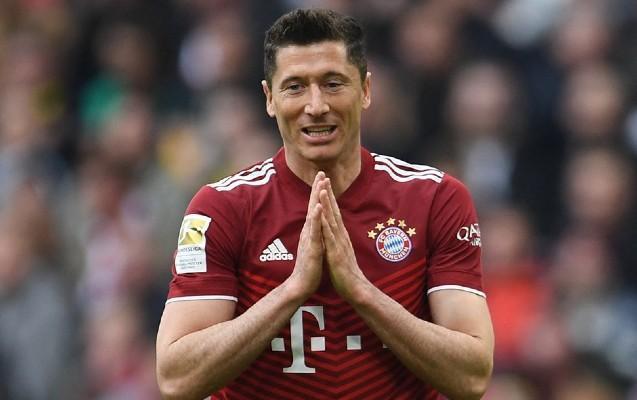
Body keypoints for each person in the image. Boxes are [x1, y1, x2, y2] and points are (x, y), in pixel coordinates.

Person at [156, 8, 494, 400]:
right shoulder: (221, 208)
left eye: (333, 84)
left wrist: (362, 293)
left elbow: (472, 377)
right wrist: (292, 290)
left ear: (365, 90)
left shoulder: (434, 199)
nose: (316, 105)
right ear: (269, 98)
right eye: (295, 87)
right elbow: (176, 379)